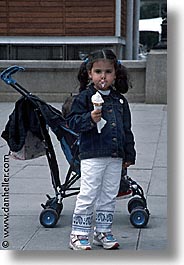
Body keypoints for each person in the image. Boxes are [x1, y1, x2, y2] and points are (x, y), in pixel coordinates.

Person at [67, 49, 136, 250]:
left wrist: (129, 154)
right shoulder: (84, 98)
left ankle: (102, 231)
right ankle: (78, 234)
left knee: (109, 194)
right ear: (90, 73)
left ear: (115, 74)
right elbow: (72, 122)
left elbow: (126, 129)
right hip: (93, 155)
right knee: (88, 193)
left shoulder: (120, 100)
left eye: (107, 71)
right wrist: (89, 118)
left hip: (115, 156)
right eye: (98, 71)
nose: (103, 76)